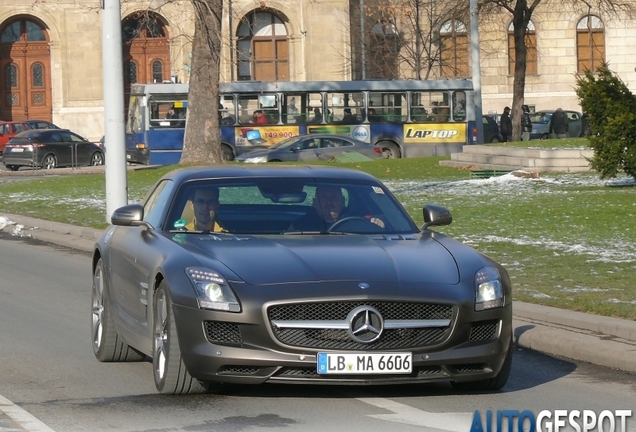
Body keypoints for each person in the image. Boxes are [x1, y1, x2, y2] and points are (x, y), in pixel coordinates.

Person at [291, 185, 384, 231]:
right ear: (314, 203)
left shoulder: (360, 222)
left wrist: (374, 221)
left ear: (343, 201)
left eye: (334, 197)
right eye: (323, 197)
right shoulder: (300, 227)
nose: (329, 201)